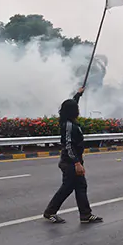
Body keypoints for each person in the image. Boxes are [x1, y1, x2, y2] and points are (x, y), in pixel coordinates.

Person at [43, 87, 103, 224]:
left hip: (74, 161)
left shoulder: (67, 120)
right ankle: (50, 212)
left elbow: (72, 103)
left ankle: (85, 215)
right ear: (72, 111)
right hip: (70, 162)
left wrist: (78, 94)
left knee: (80, 187)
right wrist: (76, 163)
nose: (78, 110)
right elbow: (68, 145)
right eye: (76, 108)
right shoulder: (69, 125)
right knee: (67, 188)